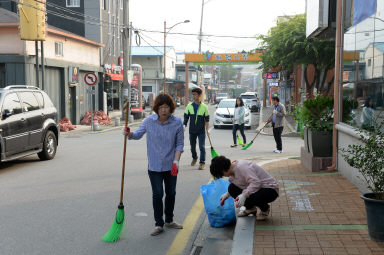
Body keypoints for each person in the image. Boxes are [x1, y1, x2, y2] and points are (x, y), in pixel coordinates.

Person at [124, 93, 184, 236]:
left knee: (171, 193)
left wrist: (176, 161)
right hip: (155, 166)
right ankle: (159, 224)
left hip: (171, 165)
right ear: (156, 108)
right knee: (157, 194)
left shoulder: (177, 122)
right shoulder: (149, 121)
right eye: (161, 107)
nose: (164, 110)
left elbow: (179, 144)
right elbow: (137, 134)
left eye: (167, 107)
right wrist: (129, 134)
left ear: (171, 108)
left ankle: (169, 220)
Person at [210, 156, 279, 220]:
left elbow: (256, 183)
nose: (223, 176)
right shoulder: (232, 174)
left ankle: (265, 209)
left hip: (270, 189)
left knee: (253, 196)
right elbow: (240, 185)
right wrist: (228, 194)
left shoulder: (242, 167)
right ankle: (251, 209)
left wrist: (244, 195)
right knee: (232, 188)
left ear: (224, 169)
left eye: (222, 174)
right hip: (258, 188)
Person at [184, 87, 210, 170]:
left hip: (201, 131)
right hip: (192, 130)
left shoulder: (204, 107)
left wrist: (207, 130)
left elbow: (207, 119)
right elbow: (186, 117)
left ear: (199, 95)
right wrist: (184, 125)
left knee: (202, 147)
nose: (193, 96)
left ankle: (202, 163)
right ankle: (194, 157)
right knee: (192, 147)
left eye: (195, 94)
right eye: (193, 94)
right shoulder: (189, 106)